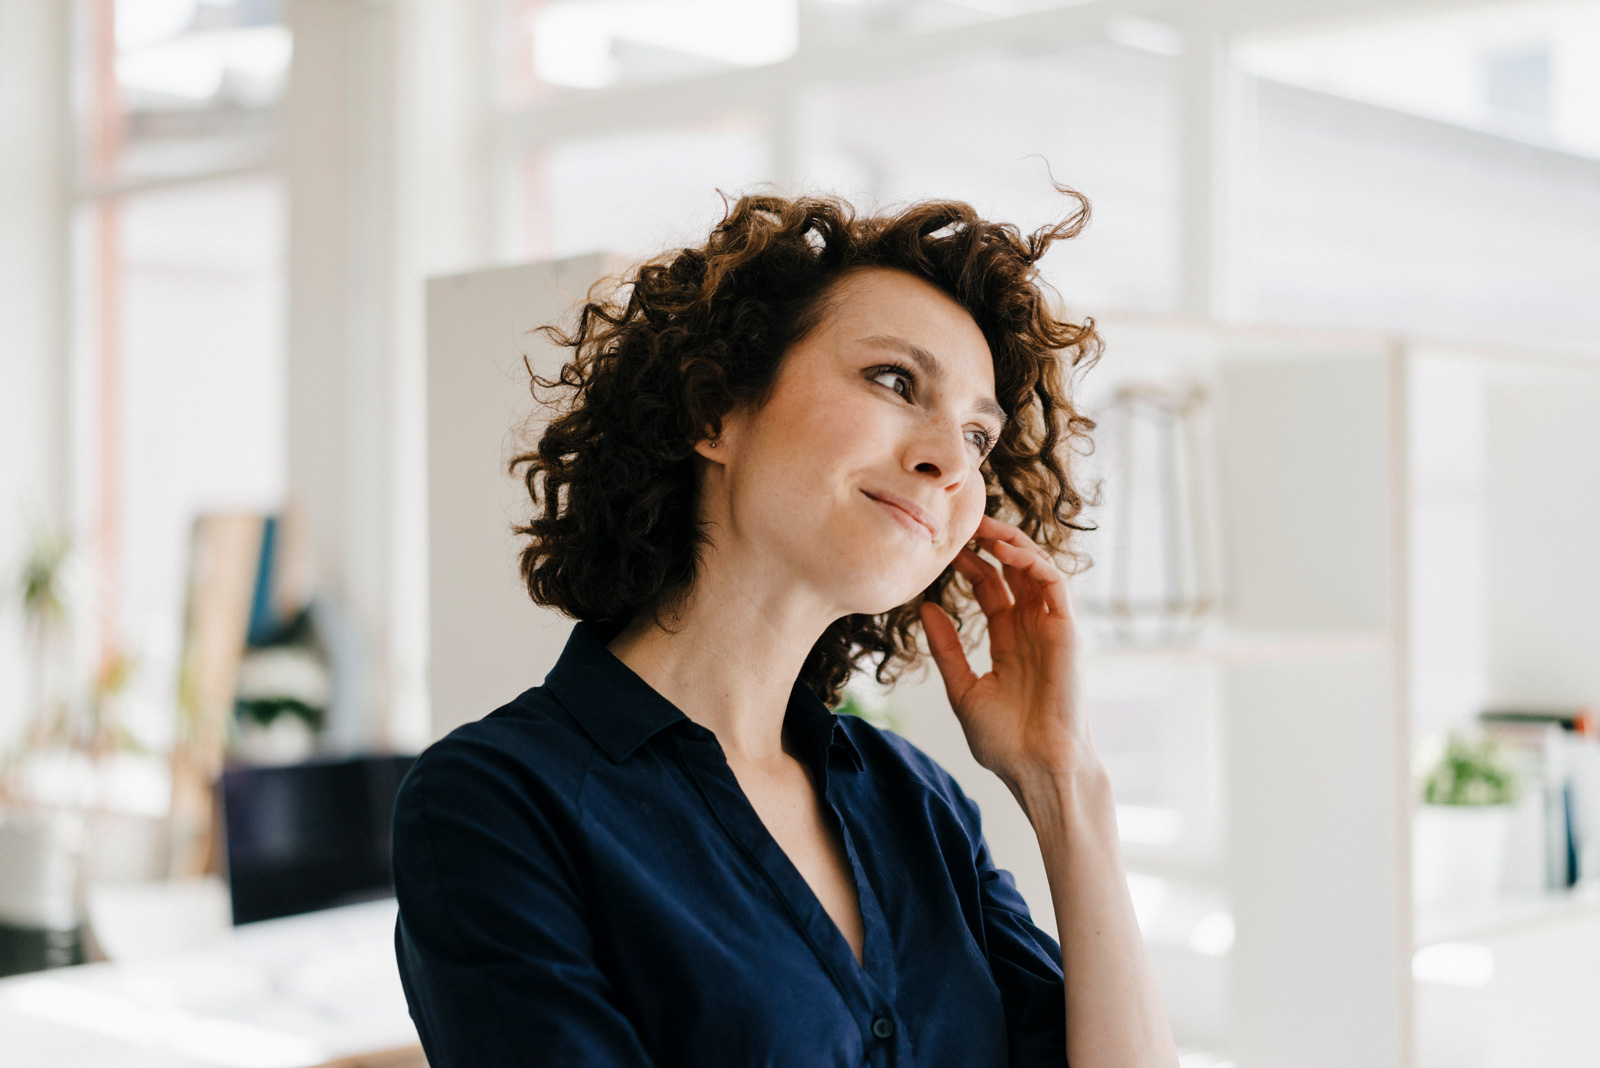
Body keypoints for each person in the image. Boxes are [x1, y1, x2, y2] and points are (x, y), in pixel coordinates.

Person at [391, 190, 1178, 1067]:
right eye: (894, 380)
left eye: (979, 438)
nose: (952, 462)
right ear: (714, 408)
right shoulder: (495, 804)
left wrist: (1066, 787)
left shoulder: (919, 805)